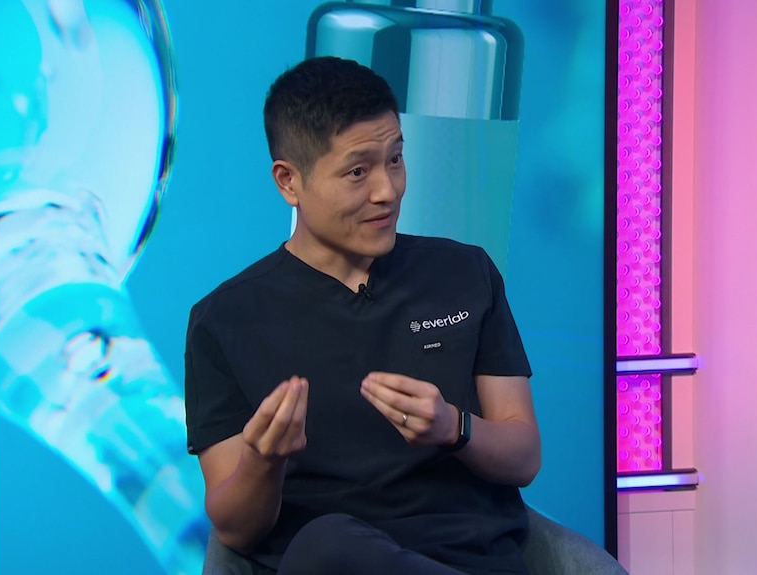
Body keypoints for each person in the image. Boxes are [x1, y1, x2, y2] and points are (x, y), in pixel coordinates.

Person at [184, 56, 541, 575]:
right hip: (328, 563)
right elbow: (236, 529)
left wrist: (455, 427)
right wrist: (264, 461)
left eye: (395, 159)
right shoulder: (225, 321)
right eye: (358, 171)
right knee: (327, 545)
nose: (388, 190)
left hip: (471, 558)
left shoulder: (465, 272)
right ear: (289, 182)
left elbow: (524, 456)